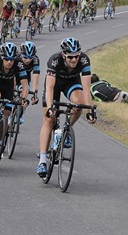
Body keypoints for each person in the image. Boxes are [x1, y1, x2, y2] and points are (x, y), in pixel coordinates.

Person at [37, 37, 95, 178]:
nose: (74, 60)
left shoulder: (84, 60)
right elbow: (49, 88)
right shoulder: (54, 60)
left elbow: (86, 88)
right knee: (49, 120)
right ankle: (43, 160)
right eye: (70, 57)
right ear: (64, 55)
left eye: (76, 56)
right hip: (55, 85)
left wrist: (89, 111)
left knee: (79, 103)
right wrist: (50, 108)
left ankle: (66, 129)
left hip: (71, 83)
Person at [17, 41, 40, 124]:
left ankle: (21, 111)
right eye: (25, 57)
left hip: (25, 77)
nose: (28, 60)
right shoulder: (16, 57)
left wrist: (35, 92)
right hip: (14, 75)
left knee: (25, 91)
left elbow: (36, 76)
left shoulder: (35, 60)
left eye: (30, 57)